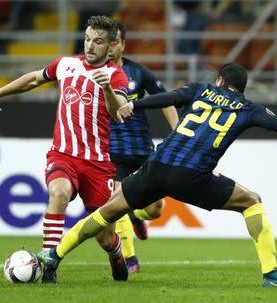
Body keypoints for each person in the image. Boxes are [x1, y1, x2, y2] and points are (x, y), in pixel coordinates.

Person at [37, 63, 277, 288]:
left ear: (220, 81)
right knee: (252, 202)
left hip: (156, 167)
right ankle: (271, 274)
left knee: (107, 212)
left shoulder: (200, 89)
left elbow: (164, 98)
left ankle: (54, 255)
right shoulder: (248, 109)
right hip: (192, 178)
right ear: (240, 88)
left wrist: (131, 105)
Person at [0, 16, 129, 284]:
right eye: (87, 39)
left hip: (97, 163)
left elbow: (118, 111)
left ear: (110, 47)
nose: (90, 46)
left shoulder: (115, 75)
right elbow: (33, 79)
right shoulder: (66, 64)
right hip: (63, 154)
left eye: (98, 41)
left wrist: (106, 88)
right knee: (58, 192)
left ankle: (116, 252)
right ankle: (50, 265)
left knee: (105, 237)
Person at [109, 22, 179, 273]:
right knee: (117, 202)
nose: (110, 46)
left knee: (155, 209)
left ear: (123, 44)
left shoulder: (137, 73)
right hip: (112, 150)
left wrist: (177, 130)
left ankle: (137, 216)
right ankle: (130, 260)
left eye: (115, 41)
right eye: (107, 40)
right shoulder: (93, 72)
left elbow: (167, 100)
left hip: (142, 149)